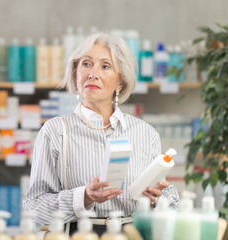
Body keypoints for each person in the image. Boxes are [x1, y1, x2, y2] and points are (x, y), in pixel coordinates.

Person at [23, 32, 179, 236]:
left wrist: (157, 199)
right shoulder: (54, 132)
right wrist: (84, 197)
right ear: (75, 73)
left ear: (120, 82)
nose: (92, 73)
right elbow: (34, 207)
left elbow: (172, 205)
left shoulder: (145, 133)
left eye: (105, 66)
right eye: (86, 64)